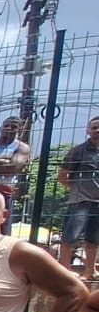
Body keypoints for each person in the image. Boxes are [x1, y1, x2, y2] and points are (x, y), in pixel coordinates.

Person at [57, 114, 99, 278]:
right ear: (88, 131)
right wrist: (76, 188)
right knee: (70, 237)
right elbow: (62, 176)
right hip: (80, 201)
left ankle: (90, 271)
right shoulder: (78, 151)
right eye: (94, 127)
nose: (98, 130)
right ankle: (64, 270)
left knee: (93, 239)